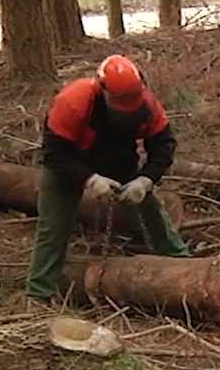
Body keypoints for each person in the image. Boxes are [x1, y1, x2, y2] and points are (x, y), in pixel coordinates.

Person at [25, 54, 190, 304]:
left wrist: (146, 180)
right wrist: (89, 179)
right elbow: (53, 153)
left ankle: (182, 264)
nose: (127, 106)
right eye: (119, 101)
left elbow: (163, 145)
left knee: (152, 210)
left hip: (118, 160)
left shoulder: (147, 105)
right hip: (70, 162)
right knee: (53, 225)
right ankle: (39, 292)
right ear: (102, 90)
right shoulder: (75, 100)